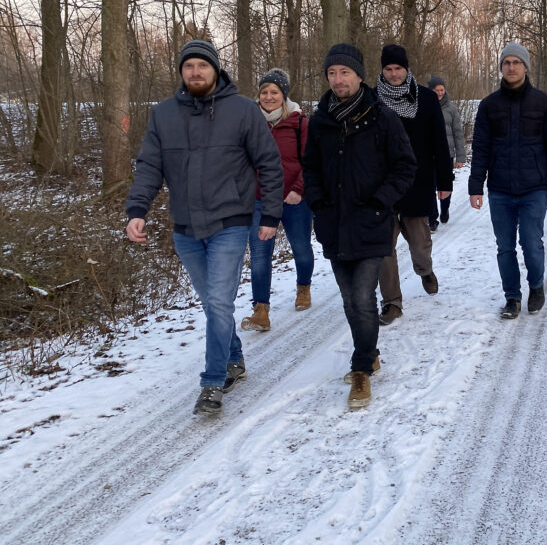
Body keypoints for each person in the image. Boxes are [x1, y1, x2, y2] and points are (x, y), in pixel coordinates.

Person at [125, 39, 283, 416]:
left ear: (216, 70)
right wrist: (137, 210)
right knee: (213, 304)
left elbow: (270, 164)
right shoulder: (163, 114)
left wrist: (272, 216)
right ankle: (234, 358)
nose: (195, 72)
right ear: (181, 72)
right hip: (185, 228)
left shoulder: (244, 111)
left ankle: (212, 384)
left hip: (231, 222)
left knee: (217, 301)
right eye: (188, 66)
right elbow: (149, 166)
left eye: (202, 66)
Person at [302, 43, 416, 408]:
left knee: (364, 298)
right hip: (335, 224)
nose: (338, 80)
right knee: (351, 300)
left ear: (359, 75)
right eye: (332, 73)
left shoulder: (382, 116)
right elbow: (311, 169)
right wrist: (318, 205)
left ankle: (361, 370)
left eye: (344, 73)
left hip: (372, 223)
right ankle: (369, 352)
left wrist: (381, 201)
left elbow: (405, 166)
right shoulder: (320, 120)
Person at [469, 42, 547, 319]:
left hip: (534, 187)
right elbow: (481, 148)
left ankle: (536, 285)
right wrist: (476, 186)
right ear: (501, 67)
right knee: (505, 246)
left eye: (516, 62)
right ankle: (512, 297)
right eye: (506, 62)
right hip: (500, 189)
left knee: (531, 242)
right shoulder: (489, 105)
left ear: (525, 67)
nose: (511, 67)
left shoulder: (544, 103)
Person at [374, 45, 454, 325]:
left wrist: (445, 180)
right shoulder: (372, 99)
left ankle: (425, 270)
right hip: (381, 185)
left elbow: (439, 144)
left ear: (406, 69)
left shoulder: (427, 98)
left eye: (398, 68)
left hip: (417, 180)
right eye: (389, 69)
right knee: (384, 246)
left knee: (420, 242)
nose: (394, 74)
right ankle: (392, 302)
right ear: (382, 70)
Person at [240, 68, 314, 333]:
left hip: (294, 199)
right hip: (259, 200)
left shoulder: (299, 123)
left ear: (284, 95)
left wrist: (299, 189)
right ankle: (261, 310)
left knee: (301, 249)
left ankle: (303, 287)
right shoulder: (248, 122)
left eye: (274, 92)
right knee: (259, 257)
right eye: (264, 92)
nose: (268, 97)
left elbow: (311, 161)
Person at [427, 75, 466, 229]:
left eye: (442, 89)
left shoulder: (451, 108)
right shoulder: (424, 106)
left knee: (445, 185)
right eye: (436, 90)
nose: (440, 92)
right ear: (430, 90)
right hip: (429, 155)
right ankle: (432, 218)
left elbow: (458, 133)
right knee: (429, 186)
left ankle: (445, 209)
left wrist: (460, 156)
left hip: (447, 154)